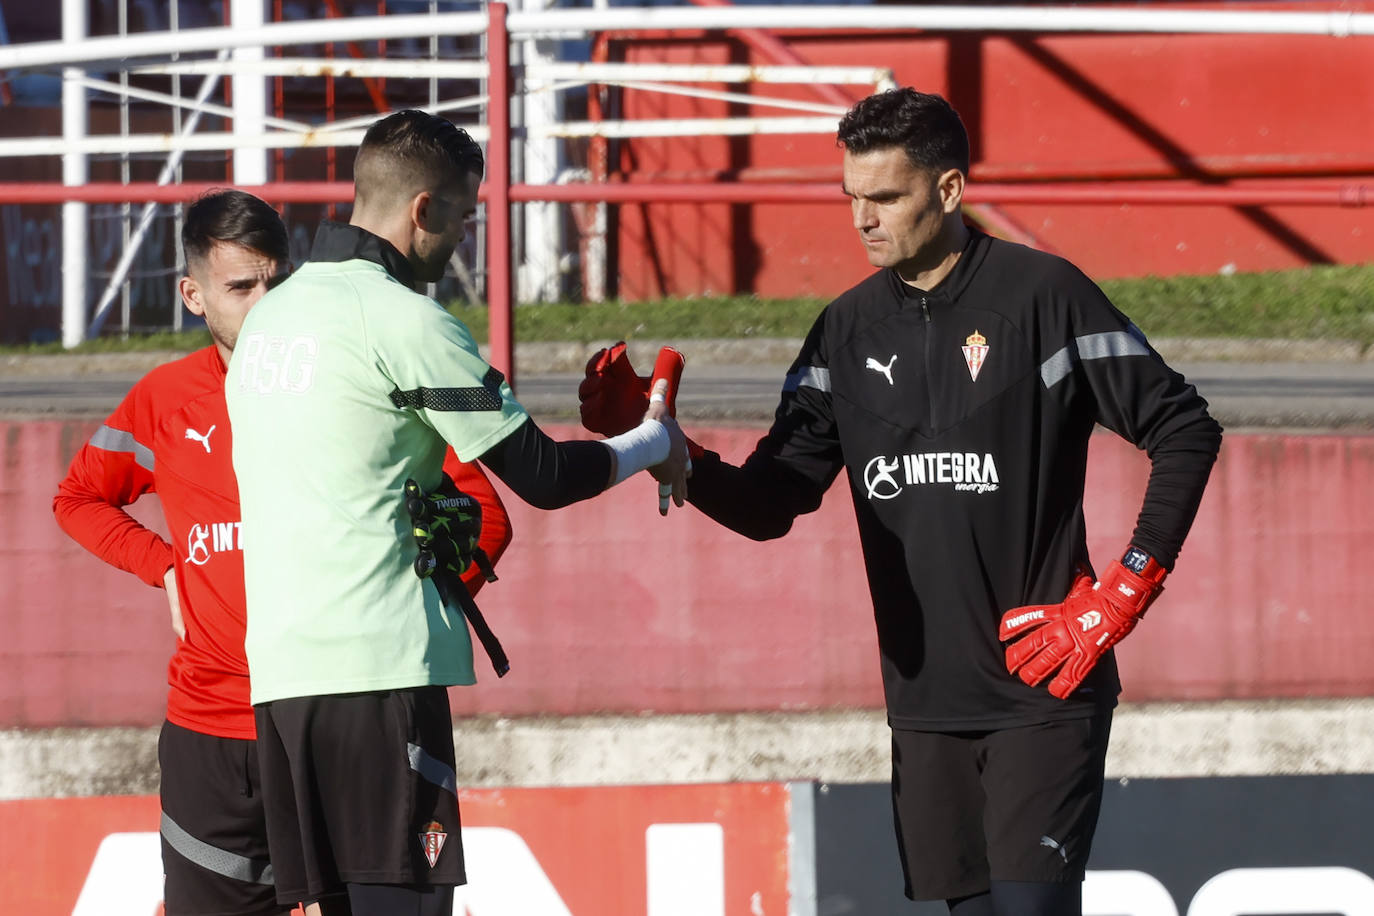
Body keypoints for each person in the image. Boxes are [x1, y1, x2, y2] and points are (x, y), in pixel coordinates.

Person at [579, 88, 1222, 915]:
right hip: (923, 707)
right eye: (852, 197)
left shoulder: (1043, 296)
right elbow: (773, 502)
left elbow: (1185, 429)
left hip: (1045, 688)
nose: (863, 219)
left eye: (885, 197)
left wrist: (1122, 594)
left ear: (949, 191)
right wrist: (671, 452)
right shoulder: (842, 333)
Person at [223, 109, 689, 915]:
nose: (465, 237)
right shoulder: (407, 321)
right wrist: (656, 441)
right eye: (466, 215)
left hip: (283, 678)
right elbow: (541, 475)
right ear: (423, 210)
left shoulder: (269, 319)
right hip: (379, 671)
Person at [51, 189, 512, 916]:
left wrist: (418, 602)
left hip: (341, 718)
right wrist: (163, 565)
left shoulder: (358, 371)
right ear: (193, 296)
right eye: (241, 287)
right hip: (214, 731)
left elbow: (483, 511)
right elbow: (77, 498)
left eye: (278, 280)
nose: (264, 303)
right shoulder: (164, 400)